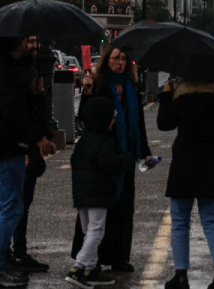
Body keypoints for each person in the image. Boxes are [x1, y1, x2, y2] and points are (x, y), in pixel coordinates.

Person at [73, 45, 153, 272]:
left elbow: (138, 123)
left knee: (124, 208)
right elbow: (85, 118)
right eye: (116, 58)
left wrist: (144, 151)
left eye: (124, 59)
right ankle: (93, 257)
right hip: (105, 154)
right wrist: (87, 93)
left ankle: (119, 256)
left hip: (126, 154)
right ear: (107, 60)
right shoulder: (98, 84)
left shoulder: (130, 87)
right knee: (101, 207)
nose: (120, 62)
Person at [157, 77, 214, 289]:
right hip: (212, 163)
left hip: (185, 162)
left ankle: (181, 275)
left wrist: (167, 94)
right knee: (212, 220)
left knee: (180, 221)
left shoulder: (183, 98)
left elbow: (164, 123)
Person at [0, 37, 54, 287]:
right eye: (25, 41)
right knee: (11, 208)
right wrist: (37, 136)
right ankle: (2, 263)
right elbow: (11, 111)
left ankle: (11, 257)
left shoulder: (18, 69)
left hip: (13, 147)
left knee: (11, 206)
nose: (28, 45)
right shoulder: (8, 72)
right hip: (9, 148)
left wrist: (35, 93)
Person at [66, 97, 131, 289]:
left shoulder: (85, 139)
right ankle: (78, 268)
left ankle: (91, 269)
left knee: (88, 231)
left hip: (82, 194)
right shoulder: (103, 141)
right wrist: (125, 159)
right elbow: (109, 164)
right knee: (96, 231)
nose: (113, 122)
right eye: (112, 118)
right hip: (98, 193)